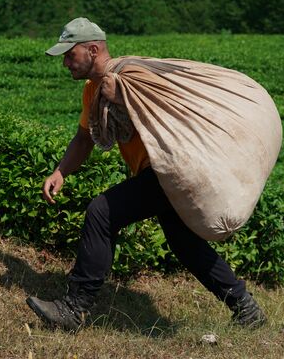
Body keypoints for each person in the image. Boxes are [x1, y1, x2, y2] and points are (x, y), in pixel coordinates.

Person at [26, 17, 267, 331]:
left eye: (70, 55)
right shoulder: (92, 90)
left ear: (93, 50)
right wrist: (60, 171)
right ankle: (247, 310)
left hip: (170, 171)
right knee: (184, 242)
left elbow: (169, 107)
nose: (65, 64)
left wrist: (124, 94)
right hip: (155, 174)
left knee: (101, 212)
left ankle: (74, 308)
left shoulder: (133, 77)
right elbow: (84, 138)